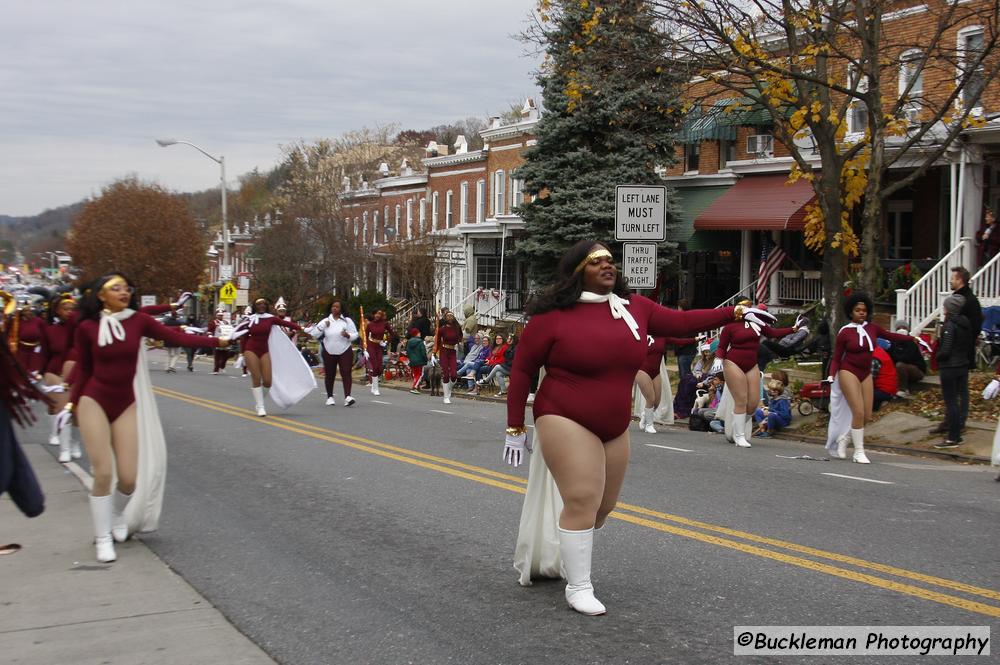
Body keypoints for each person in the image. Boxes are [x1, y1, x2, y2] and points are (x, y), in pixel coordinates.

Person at [504, 240, 771, 615]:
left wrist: (734, 312)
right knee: (582, 497)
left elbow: (681, 322)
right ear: (577, 270)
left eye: (610, 261)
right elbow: (521, 371)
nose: (607, 266)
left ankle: (569, 541)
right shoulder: (551, 318)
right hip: (563, 413)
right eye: (596, 262)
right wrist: (515, 426)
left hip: (614, 422)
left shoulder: (635, 308)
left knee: (602, 507)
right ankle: (578, 586)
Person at [61, 273, 229, 562]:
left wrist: (217, 342)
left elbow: (175, 336)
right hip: (93, 400)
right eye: (116, 289)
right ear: (101, 295)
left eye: (127, 288)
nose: (124, 292)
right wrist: (72, 406)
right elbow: (85, 370)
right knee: (103, 472)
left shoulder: (138, 321)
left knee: (128, 480)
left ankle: (115, 516)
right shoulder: (87, 327)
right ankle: (103, 538)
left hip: (125, 402)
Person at [824, 293, 921, 463]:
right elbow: (837, 357)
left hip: (865, 372)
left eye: (864, 310)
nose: (861, 313)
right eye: (857, 310)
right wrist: (831, 375)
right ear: (850, 312)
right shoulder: (844, 332)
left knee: (867, 415)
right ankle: (859, 452)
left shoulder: (872, 328)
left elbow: (891, 336)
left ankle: (845, 438)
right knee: (858, 411)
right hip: (848, 371)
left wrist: (911, 338)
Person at [713, 300, 796, 447]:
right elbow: (722, 346)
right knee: (741, 400)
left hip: (751, 364)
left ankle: (735, 425)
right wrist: (719, 359)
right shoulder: (730, 327)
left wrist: (794, 329)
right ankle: (739, 436)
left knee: (752, 404)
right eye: (744, 307)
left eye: (749, 307)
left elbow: (773, 333)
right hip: (733, 363)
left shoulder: (757, 323)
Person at [931, 267, 981, 435]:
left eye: (953, 278)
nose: (950, 281)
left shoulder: (970, 301)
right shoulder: (958, 299)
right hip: (954, 353)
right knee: (952, 392)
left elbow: (973, 329)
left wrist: (958, 348)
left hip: (960, 354)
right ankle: (951, 421)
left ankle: (959, 422)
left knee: (961, 390)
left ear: (960, 280)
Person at [238, 298, 307, 416]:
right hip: (251, 350)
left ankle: (259, 400)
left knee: (268, 381)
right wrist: (241, 353)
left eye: (264, 304)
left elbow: (287, 324)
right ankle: (260, 406)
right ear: (255, 306)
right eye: (259, 304)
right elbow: (241, 335)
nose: (262, 306)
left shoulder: (270, 318)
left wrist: (303, 328)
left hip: (264, 350)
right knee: (256, 378)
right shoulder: (249, 319)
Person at [41, 292, 80, 462]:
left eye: (72, 308)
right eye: (65, 308)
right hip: (54, 373)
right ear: (57, 311)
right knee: (63, 409)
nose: (69, 312)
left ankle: (75, 443)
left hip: (76, 373)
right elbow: (44, 354)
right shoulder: (49, 330)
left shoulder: (81, 329)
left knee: (77, 412)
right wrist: (39, 373)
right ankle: (64, 450)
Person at [933, 294, 973, 449]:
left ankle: (952, 437)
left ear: (949, 309)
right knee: (960, 399)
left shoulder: (950, 325)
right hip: (963, 365)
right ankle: (958, 434)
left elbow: (946, 349)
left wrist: (937, 356)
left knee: (951, 403)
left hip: (949, 367)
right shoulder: (966, 323)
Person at [635, 335, 694, 433]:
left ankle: (645, 415)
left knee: (657, 402)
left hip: (656, 372)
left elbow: (678, 341)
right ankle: (649, 425)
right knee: (651, 398)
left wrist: (694, 339)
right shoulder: (641, 335)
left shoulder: (662, 336)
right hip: (642, 371)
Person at [308, 300, 358, 407]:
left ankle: (347, 397)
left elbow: (355, 334)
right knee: (330, 374)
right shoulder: (326, 321)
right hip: (329, 350)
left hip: (344, 349)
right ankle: (330, 397)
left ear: (341, 309)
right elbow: (314, 334)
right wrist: (322, 326)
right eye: (333, 306)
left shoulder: (347, 321)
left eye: (337, 307)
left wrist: (347, 335)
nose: (335, 308)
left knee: (346, 372)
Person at [887, 321, 926, 398]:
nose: (901, 330)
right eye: (899, 328)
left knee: (900, 365)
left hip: (917, 371)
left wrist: (896, 356)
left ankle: (903, 390)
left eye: (904, 328)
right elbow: (890, 357)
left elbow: (906, 358)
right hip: (901, 371)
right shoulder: (893, 342)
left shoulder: (911, 343)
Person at [435, 310, 464, 404]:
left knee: (454, 375)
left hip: (453, 351)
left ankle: (449, 389)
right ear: (445, 318)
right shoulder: (442, 329)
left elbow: (460, 337)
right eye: (448, 316)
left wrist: (458, 343)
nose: (450, 318)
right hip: (444, 351)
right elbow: (437, 342)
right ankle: (446, 396)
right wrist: (434, 353)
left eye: (451, 316)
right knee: (446, 374)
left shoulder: (457, 328)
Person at [364, 309, 393, 396]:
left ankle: (373, 385)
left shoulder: (385, 324)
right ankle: (376, 388)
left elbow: (392, 333)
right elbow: (365, 337)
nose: (377, 315)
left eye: (379, 314)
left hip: (379, 346)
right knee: (375, 366)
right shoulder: (370, 325)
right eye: (376, 313)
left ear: (381, 315)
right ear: (373, 314)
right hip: (371, 345)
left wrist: (386, 341)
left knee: (380, 368)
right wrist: (365, 349)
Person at [673, 299, 697, 381]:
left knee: (685, 375)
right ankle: (684, 390)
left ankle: (688, 391)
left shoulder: (688, 319)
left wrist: (679, 343)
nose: (678, 309)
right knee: (683, 374)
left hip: (686, 351)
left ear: (682, 307)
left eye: (679, 307)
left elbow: (687, 334)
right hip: (683, 351)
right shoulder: (683, 318)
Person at [871, 344, 897, 412]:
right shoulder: (879, 350)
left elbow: (870, 379)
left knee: (857, 392)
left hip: (884, 391)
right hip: (889, 389)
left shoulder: (874, 356)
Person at [207, 308, 233, 374]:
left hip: (225, 340)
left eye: (221, 315)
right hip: (217, 340)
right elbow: (209, 330)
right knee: (217, 355)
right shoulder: (213, 322)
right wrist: (210, 336)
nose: (220, 316)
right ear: (216, 315)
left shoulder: (226, 322)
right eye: (219, 315)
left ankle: (222, 365)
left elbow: (229, 330)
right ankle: (216, 370)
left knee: (226, 355)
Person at [405, 327, 427, 393]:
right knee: (420, 375)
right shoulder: (421, 342)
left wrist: (410, 358)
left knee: (415, 375)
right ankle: (414, 388)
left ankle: (416, 386)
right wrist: (426, 359)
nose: (420, 333)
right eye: (418, 332)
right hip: (420, 361)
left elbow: (407, 352)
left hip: (412, 360)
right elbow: (423, 352)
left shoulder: (409, 342)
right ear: (416, 334)